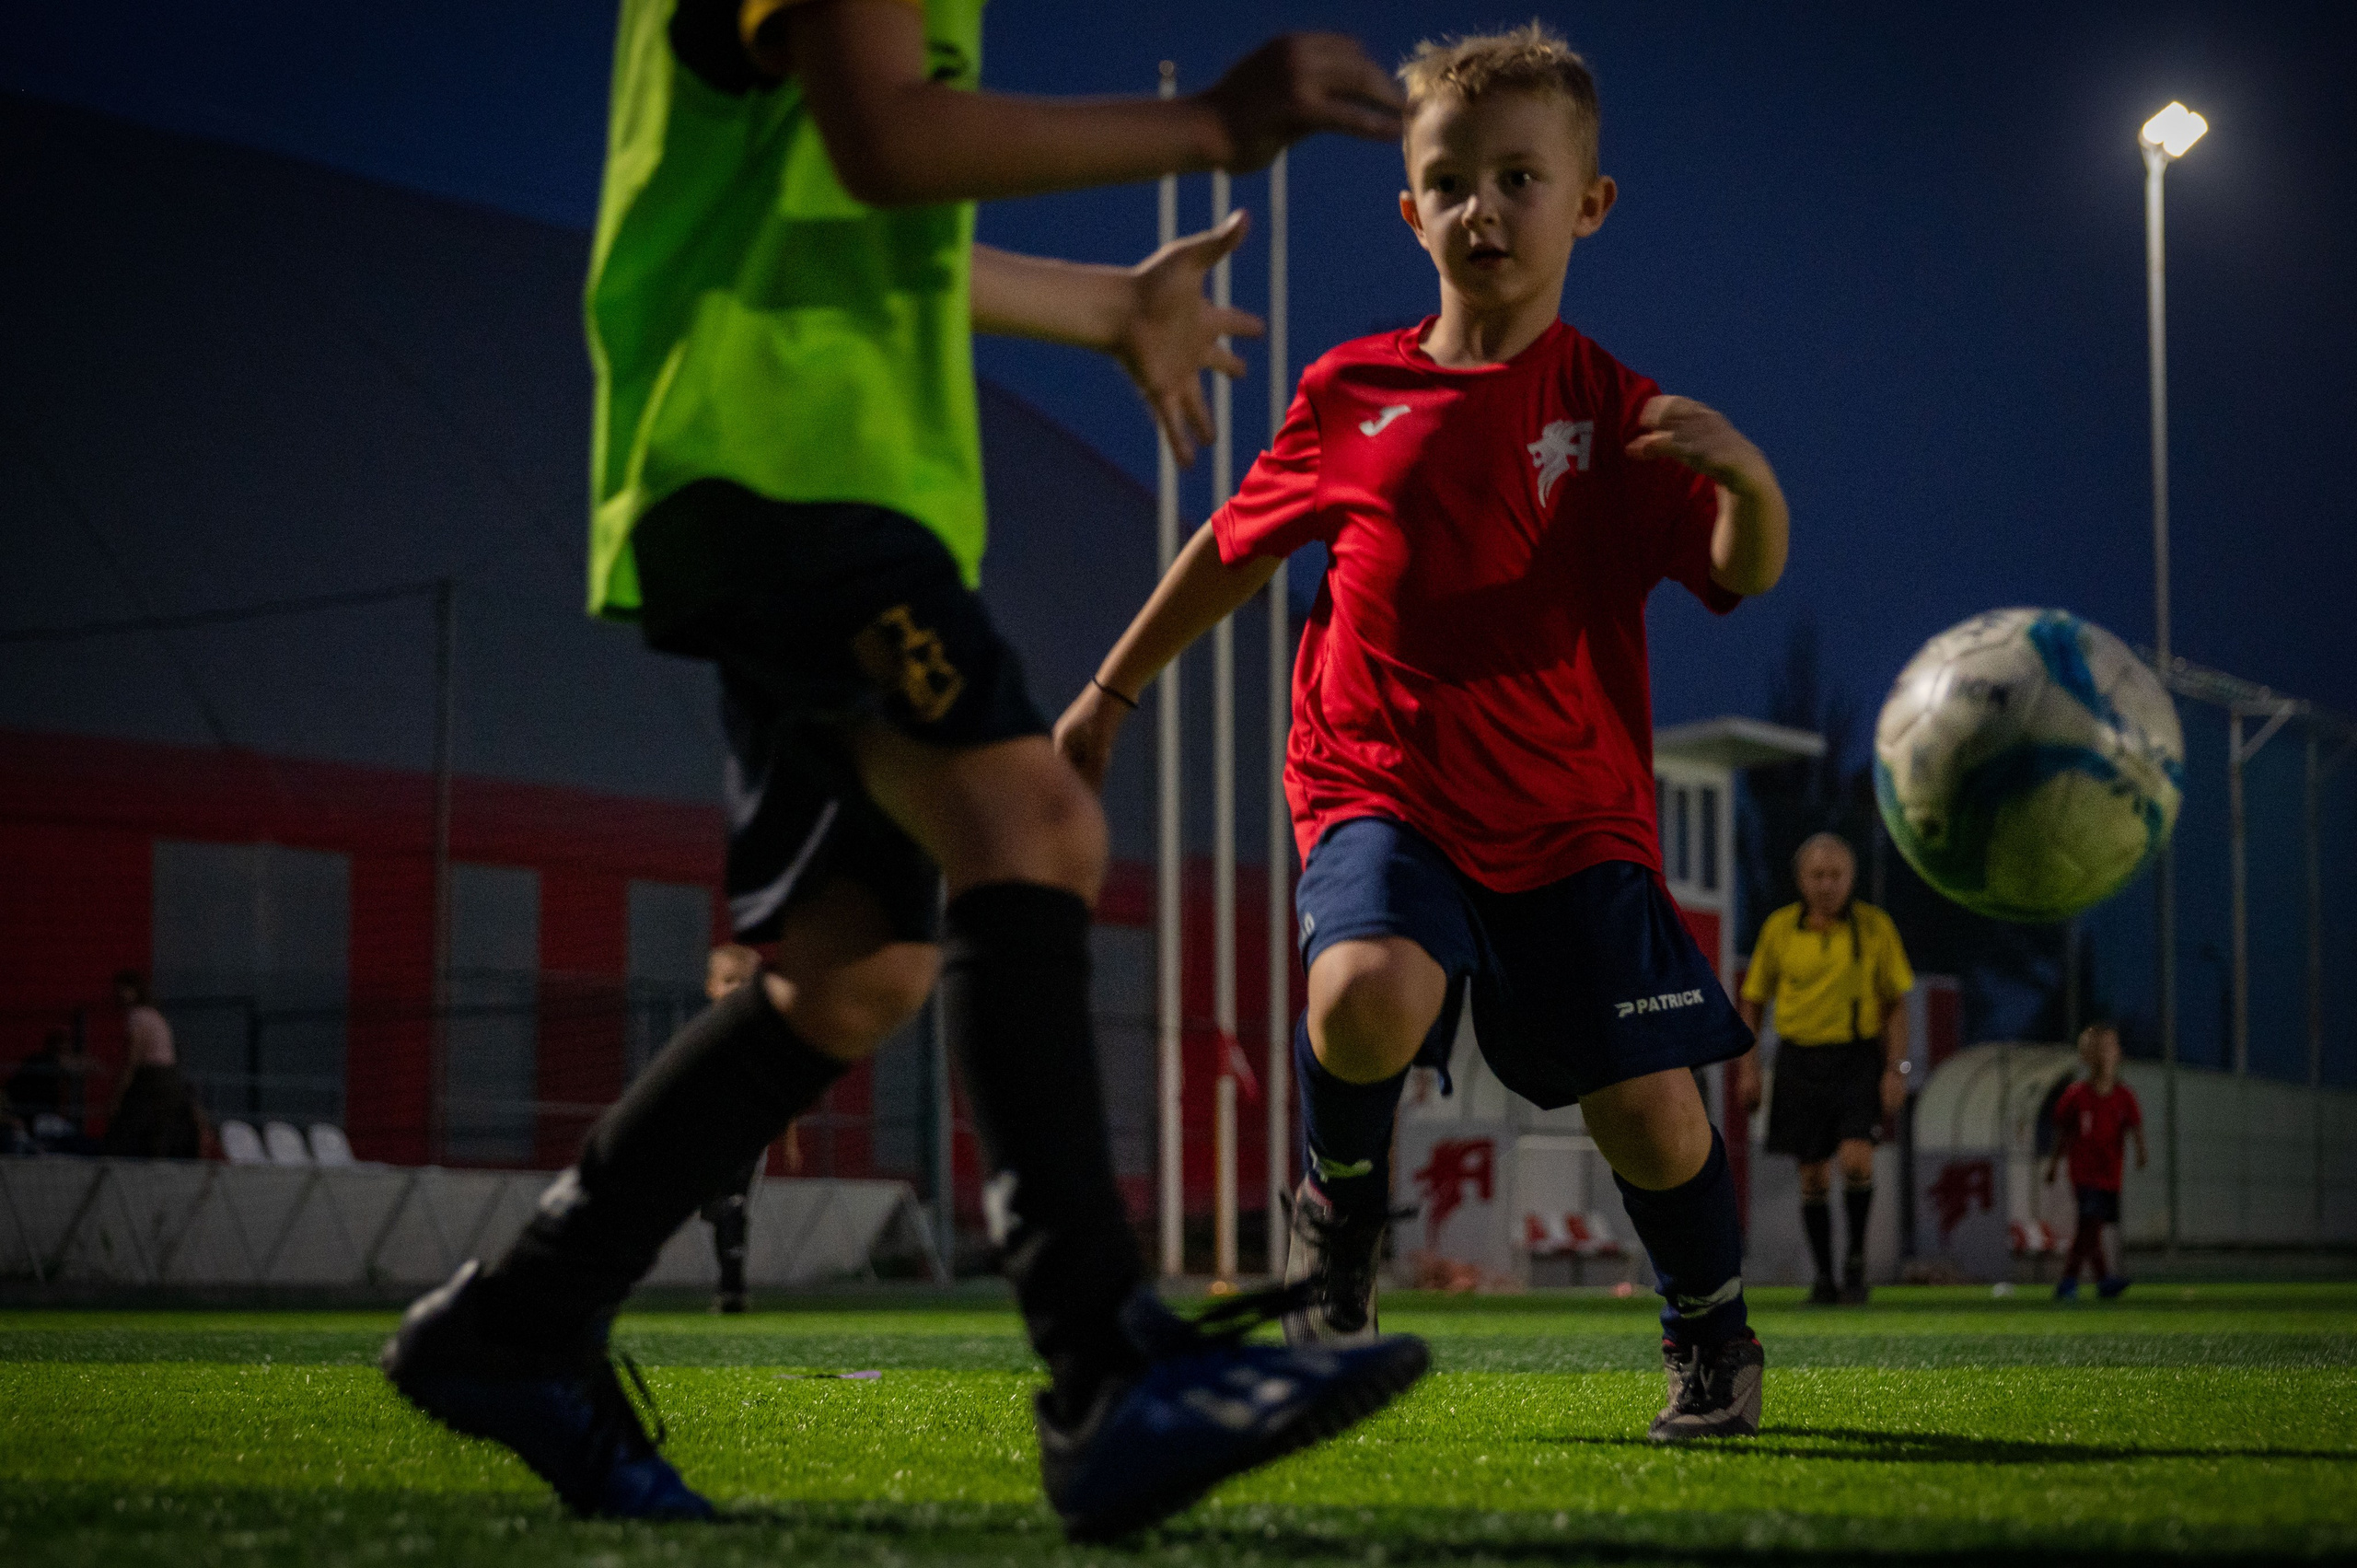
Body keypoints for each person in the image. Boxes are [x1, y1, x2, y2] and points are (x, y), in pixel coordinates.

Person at [379, 0, 1429, 1539]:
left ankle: (520, 1321)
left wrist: (1102, 308)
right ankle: (1101, 1365)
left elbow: (840, 209)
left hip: (785, 470)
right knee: (1033, 816)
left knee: (854, 971)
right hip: (790, 467)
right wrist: (1211, 124)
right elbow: (886, 141)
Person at [1057, 24, 1788, 1444]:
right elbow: (1234, 546)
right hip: (1377, 778)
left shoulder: (1618, 413)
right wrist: (1105, 691)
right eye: (1451, 181)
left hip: (1573, 817)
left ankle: (1709, 1325)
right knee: (1366, 990)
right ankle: (1337, 1215)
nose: (1484, 208)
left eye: (1522, 178)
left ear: (1590, 203)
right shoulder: (1348, 394)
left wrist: (1752, 485)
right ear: (1411, 211)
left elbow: (1737, 569)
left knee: (1651, 1108)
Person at [1735, 833, 1915, 1307]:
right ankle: (1824, 1277)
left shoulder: (1875, 928)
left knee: (1857, 1160)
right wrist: (1748, 1068)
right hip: (1797, 1060)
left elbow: (1895, 1006)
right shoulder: (1778, 929)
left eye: (1836, 875)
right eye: (1817, 875)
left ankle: (1855, 1259)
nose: (1827, 885)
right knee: (1812, 1176)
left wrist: (1896, 1069)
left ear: (1851, 878)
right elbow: (1751, 1002)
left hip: (1857, 1058)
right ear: (1800, 880)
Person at [2044, 1022, 2145, 1301]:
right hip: (2084, 1172)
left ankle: (2102, 1281)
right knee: (2090, 1222)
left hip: (2110, 1173)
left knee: (2093, 1227)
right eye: (2107, 1046)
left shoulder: (2124, 1095)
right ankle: (2069, 1281)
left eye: (2114, 1046)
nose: (2113, 1051)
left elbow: (2135, 1127)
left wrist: (2140, 1151)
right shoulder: (2077, 1094)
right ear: (2092, 1054)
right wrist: (2053, 1164)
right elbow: (2063, 1132)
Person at [698, 944, 764, 1314]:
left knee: (734, 1205)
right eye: (729, 981)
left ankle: (732, 1289)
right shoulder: (702, 1035)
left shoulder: (763, 1038)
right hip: (706, 1137)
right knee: (716, 1209)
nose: (738, 988)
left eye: (746, 982)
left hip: (746, 1136)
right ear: (712, 987)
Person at [100, 971, 202, 1159]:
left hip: (152, 1079)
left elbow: (133, 1058)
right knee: (158, 1134)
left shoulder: (137, 1017)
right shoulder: (154, 1015)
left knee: (126, 1130)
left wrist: (117, 1096)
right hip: (168, 1080)